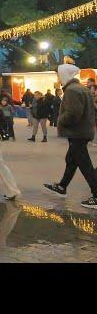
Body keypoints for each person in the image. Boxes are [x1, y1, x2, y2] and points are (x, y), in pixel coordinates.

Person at [44, 64, 97, 209]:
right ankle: (62, 186)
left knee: (84, 163)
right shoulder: (80, 88)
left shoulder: (72, 91)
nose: (58, 78)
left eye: (58, 75)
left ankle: (96, 194)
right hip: (83, 132)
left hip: (77, 133)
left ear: (64, 75)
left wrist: (60, 120)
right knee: (72, 160)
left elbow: (74, 113)